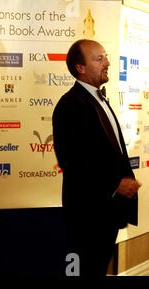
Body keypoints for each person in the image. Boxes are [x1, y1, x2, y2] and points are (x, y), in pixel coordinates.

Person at [52, 39, 141, 276]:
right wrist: (115, 184)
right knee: (81, 272)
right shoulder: (69, 104)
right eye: (99, 58)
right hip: (86, 216)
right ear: (80, 68)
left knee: (97, 270)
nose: (108, 62)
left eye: (106, 56)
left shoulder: (99, 99)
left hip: (106, 213)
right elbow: (72, 161)